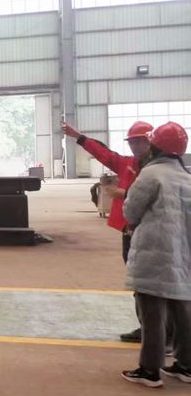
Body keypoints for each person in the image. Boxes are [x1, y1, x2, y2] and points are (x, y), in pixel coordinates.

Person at [63, 120, 154, 343]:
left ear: (151, 142)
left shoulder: (156, 170)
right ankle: (149, 327)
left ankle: (159, 332)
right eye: (132, 142)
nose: (134, 146)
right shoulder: (128, 164)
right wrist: (79, 137)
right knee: (139, 282)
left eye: (139, 142)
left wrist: (125, 193)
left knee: (150, 283)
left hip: (149, 231)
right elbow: (104, 154)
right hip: (129, 230)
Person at [121, 122, 191, 387]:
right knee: (182, 309)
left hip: (153, 253)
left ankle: (150, 370)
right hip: (181, 254)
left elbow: (131, 212)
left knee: (151, 312)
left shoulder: (151, 174)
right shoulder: (186, 176)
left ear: (155, 147)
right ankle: (186, 366)